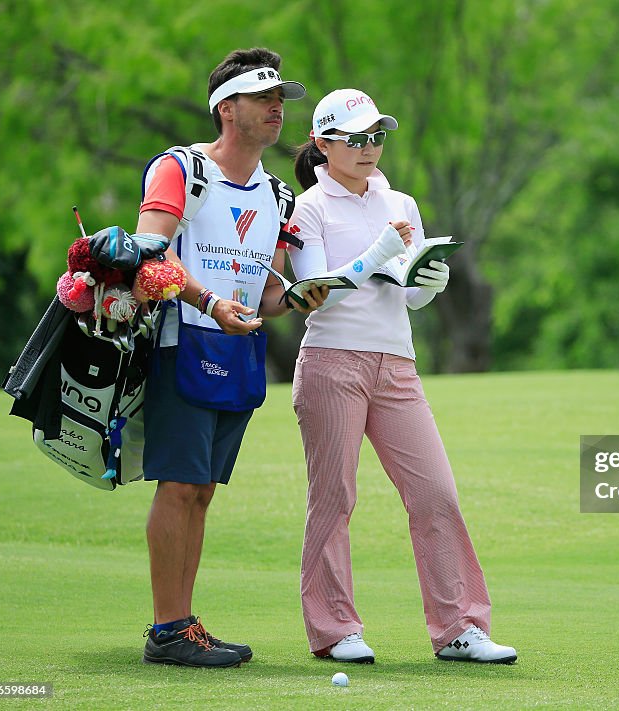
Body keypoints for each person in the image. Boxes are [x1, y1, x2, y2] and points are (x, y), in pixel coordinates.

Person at [286, 88, 517, 664]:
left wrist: (426, 286)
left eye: (377, 137)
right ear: (322, 144)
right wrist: (374, 254)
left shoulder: (401, 202)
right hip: (331, 361)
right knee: (334, 497)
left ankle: (460, 627)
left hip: (397, 364)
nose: (370, 149)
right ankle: (336, 629)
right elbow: (313, 296)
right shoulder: (308, 208)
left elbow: (406, 292)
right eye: (356, 139)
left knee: (435, 490)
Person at [136, 48, 325, 668]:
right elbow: (149, 256)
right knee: (180, 483)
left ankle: (182, 623)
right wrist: (210, 300)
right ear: (227, 108)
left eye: (281, 100)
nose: (278, 109)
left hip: (234, 350)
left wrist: (295, 297)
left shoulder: (275, 191)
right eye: (264, 98)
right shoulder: (180, 169)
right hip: (181, 340)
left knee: (204, 490)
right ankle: (168, 629)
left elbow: (265, 291)